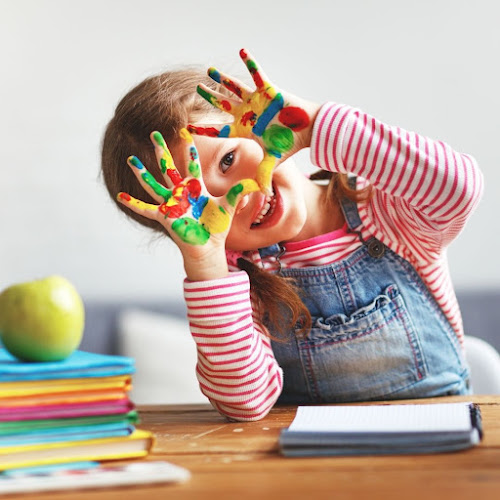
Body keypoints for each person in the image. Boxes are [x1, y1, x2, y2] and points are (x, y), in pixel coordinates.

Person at [101, 49, 483, 421]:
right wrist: (206, 264)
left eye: (228, 160)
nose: (238, 195)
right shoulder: (237, 280)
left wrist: (313, 124)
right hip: (311, 465)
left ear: (261, 127)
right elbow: (245, 404)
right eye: (199, 204)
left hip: (442, 437)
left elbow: (457, 188)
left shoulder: (385, 211)